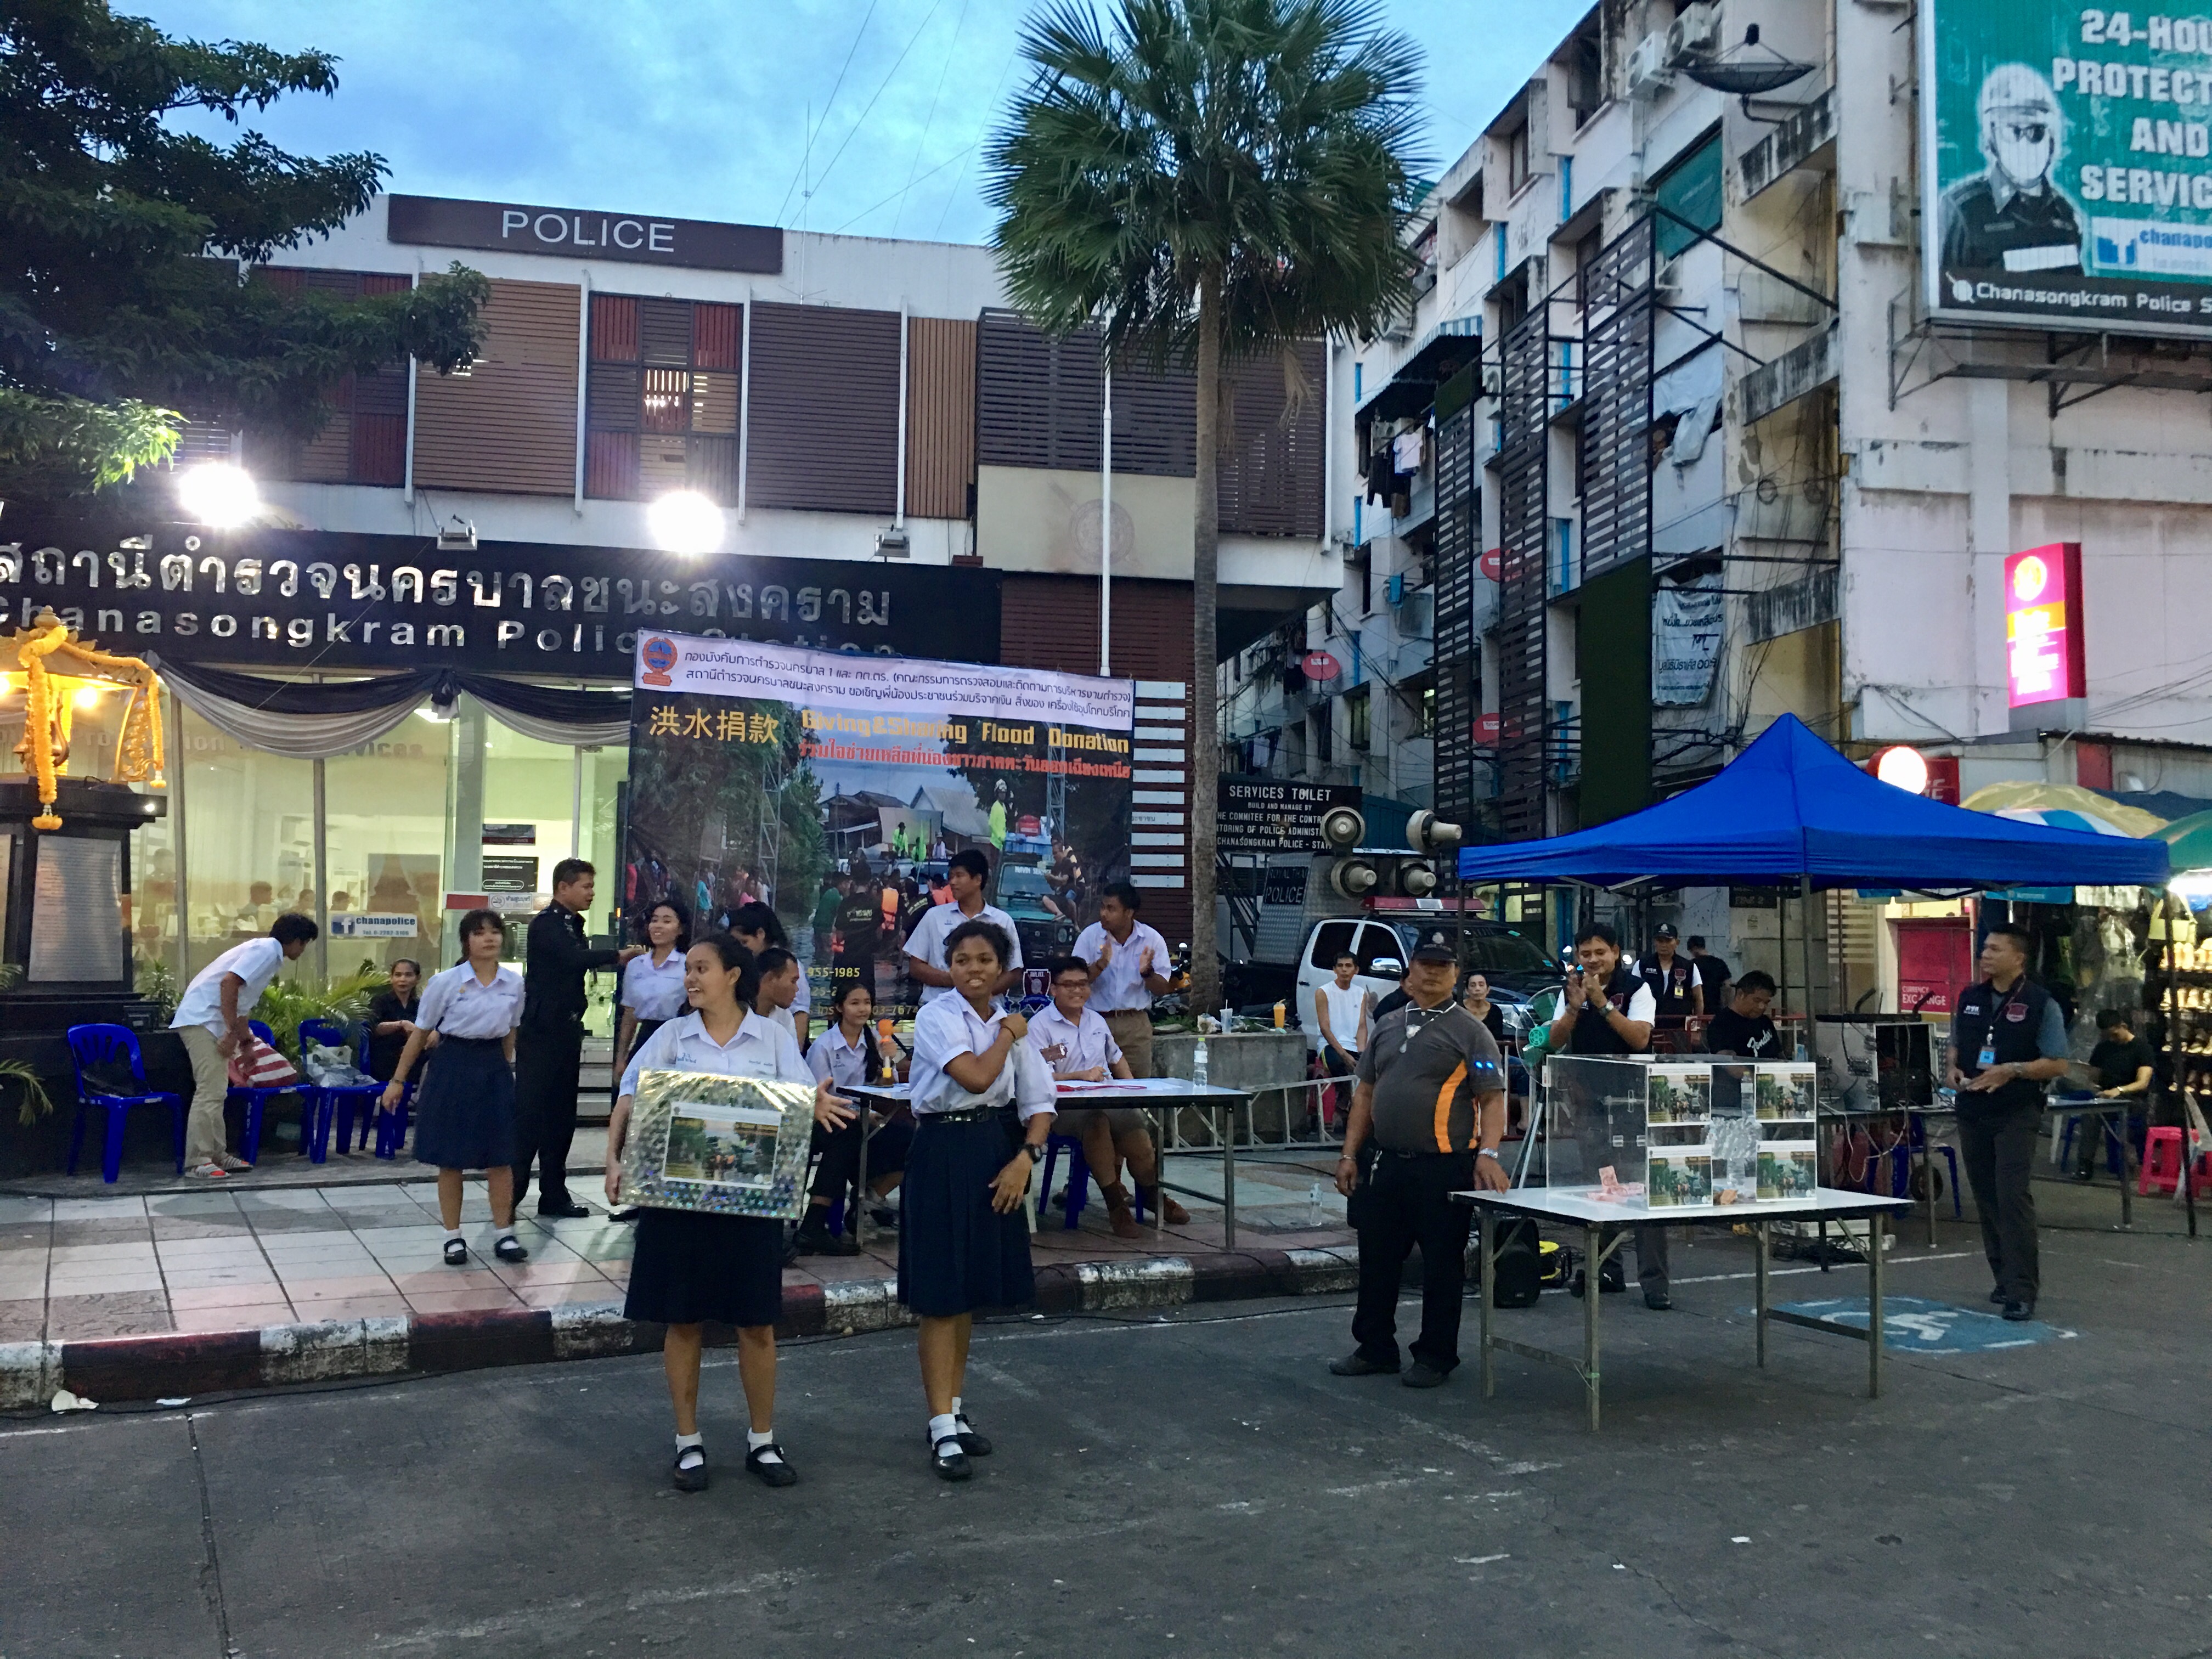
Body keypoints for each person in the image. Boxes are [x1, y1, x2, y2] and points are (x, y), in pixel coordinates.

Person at [604, 933, 855, 1491]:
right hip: (678, 1205)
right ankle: (687, 1442)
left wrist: (814, 1101)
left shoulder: (772, 1039)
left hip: (750, 1207)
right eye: (688, 970)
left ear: (733, 975)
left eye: (702, 968)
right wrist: (613, 1159)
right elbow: (629, 1096)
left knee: (756, 1324)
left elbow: (799, 1101)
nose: (690, 978)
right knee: (683, 1320)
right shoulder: (671, 1036)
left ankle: (762, 1441)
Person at [901, 918, 1054, 1481]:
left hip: (994, 1150)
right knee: (942, 1292)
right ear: (949, 967)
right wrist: (1009, 1034)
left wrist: (1025, 1159)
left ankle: (955, 1408)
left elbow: (1040, 1101)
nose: (973, 970)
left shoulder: (1010, 1021)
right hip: (942, 1148)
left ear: (1002, 968)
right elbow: (973, 1077)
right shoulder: (938, 1016)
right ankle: (940, 1423)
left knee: (968, 1291)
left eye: (984, 960)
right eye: (962, 960)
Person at [1330, 943, 1509, 1387]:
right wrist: (1349, 1154)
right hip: (1385, 1163)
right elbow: (1365, 1094)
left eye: (1442, 967)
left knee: (1442, 1266)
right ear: (1410, 970)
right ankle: (1375, 1348)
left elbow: (1492, 1098)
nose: (1432, 974)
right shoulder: (1389, 1024)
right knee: (1377, 1259)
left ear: (1456, 974)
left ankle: (1435, 1356)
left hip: (1443, 1167)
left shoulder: (1471, 1032)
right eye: (1425, 965)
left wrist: (1488, 1155)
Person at [380, 909, 529, 1267]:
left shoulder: (514, 983)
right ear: (466, 941)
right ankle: (453, 1237)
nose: (489, 938)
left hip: (493, 1068)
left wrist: (503, 1068)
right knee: (451, 1158)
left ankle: (504, 1233)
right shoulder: (445, 982)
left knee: (502, 1157)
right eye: (479, 933)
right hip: (453, 1064)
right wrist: (398, 1081)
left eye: (495, 932)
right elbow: (421, 1032)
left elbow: (511, 1030)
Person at [1549, 922, 1673, 1310]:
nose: (1592, 961)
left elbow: (1639, 1038)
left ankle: (1655, 1282)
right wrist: (1574, 1006)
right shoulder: (1571, 990)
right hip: (1590, 1103)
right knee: (1601, 1186)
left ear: (1616, 953)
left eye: (1600, 953)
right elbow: (1555, 1040)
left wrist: (1602, 1003)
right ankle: (1606, 1269)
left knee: (1643, 1188)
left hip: (1634, 1102)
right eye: (1585, 954)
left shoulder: (1637, 989)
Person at [1949, 924, 2070, 1321]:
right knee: (1986, 1197)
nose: (1985, 955)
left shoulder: (2041, 1004)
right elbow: (1956, 1043)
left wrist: (2013, 1070)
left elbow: (2058, 1063)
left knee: (2012, 1196)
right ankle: (2002, 1278)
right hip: (1972, 1109)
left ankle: (2022, 1290)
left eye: (1995, 949)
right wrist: (1951, 1068)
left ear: (2018, 958)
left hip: (2015, 1112)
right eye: (1984, 948)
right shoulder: (1971, 997)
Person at [516, 859, 641, 1220]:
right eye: (586, 886)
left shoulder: (572, 923)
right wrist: (617, 956)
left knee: (561, 1117)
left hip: (567, 1031)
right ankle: (511, 1193)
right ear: (563, 887)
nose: (591, 893)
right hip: (542, 1033)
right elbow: (570, 960)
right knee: (531, 1116)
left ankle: (553, 1193)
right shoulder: (547, 924)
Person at [1028, 956, 1187, 1238]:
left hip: (1107, 1099)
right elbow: (1038, 1076)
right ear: (1053, 988)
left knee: (1138, 1133)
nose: (1077, 990)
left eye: (1083, 984)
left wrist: (1134, 1092)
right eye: (1069, 985)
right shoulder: (1040, 1026)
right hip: (1063, 1109)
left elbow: (1117, 1058)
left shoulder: (1096, 1021)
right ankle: (1116, 1205)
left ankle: (1152, 1195)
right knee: (1096, 1124)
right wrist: (1080, 1075)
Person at [169, 913, 319, 1177]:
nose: (303, 950)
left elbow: (241, 1004)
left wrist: (246, 1043)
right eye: (305, 943)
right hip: (203, 1020)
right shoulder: (267, 950)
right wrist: (230, 1032)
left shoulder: (266, 952)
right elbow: (229, 983)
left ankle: (217, 1154)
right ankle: (197, 1161)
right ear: (296, 940)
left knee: (218, 1092)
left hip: (209, 1020)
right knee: (209, 1091)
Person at [795, 979, 916, 1256]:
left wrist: (890, 1061)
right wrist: (862, 1114)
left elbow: (884, 1086)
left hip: (862, 1118)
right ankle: (815, 1224)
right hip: (827, 1119)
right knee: (849, 1132)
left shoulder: (872, 1039)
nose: (863, 1009)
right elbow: (818, 1095)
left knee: (912, 1139)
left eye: (867, 1003)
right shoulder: (825, 1046)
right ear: (840, 1008)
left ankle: (868, 1201)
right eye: (855, 1003)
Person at [1939, 64, 2083, 278]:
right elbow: (1944, 288)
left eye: (2036, 132)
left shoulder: (2065, 216)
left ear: (2052, 140)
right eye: (2013, 131)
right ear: (1992, 139)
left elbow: (2078, 291)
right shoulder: (1964, 210)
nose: (2025, 144)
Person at [1073, 881, 1171, 1079]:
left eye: (1111, 909)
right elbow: (1074, 982)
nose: (1103, 914)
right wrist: (1100, 965)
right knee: (1095, 1085)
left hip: (1134, 1025)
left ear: (1129, 913)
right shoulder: (1089, 936)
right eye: (1103, 907)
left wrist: (1147, 973)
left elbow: (1163, 989)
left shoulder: (1151, 939)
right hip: (1095, 1021)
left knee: (1138, 1087)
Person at [904, 847, 1022, 1007]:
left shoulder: (1002, 921)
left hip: (987, 1010)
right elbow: (916, 967)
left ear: (978, 879)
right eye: (951, 876)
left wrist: (981, 994)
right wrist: (957, 980)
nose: (952, 882)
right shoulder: (934, 917)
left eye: (959, 876)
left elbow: (1014, 972)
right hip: (939, 1008)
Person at [615, 900, 690, 1081]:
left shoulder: (688, 965)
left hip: (679, 1040)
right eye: (655, 920)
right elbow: (630, 1015)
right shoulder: (636, 965)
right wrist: (621, 1058)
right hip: (646, 1037)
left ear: (680, 929)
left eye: (667, 921)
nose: (658, 926)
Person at [2078, 1008, 2155, 1182]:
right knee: (2091, 1112)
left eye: (2114, 1035)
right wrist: (2093, 1086)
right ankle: (2085, 1165)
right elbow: (2094, 1077)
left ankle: (2129, 1161)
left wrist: (2118, 1090)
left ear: (2124, 1026)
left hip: (2132, 1099)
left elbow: (2142, 1083)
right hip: (2105, 1097)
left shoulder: (2142, 1048)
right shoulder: (2103, 1048)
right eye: (2108, 1036)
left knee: (2104, 1110)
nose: (2112, 1040)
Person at [729, 901, 809, 1047]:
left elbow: (800, 1013)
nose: (739, 949)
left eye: (744, 942)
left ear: (760, 934)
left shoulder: (789, 966)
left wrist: (796, 1053)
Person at [1313, 951, 1369, 1132]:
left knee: (1370, 1068)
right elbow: (1325, 1028)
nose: (1344, 970)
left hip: (1353, 1045)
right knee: (1338, 1063)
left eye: (1348, 966)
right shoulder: (1323, 992)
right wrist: (1345, 1055)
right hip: (1330, 1045)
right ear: (1334, 970)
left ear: (1356, 970)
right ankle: (1344, 1101)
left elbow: (1362, 1026)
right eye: (1340, 966)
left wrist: (1361, 1053)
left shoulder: (1361, 993)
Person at [365, 958, 424, 1084]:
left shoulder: (420, 1004)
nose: (403, 979)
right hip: (385, 1061)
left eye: (408, 975)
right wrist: (401, 1024)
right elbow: (373, 1028)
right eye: (398, 975)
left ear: (417, 978)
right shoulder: (380, 1002)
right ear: (391, 978)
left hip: (413, 1061)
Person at [1637, 923, 1702, 1033]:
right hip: (1647, 1026)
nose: (1664, 945)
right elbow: (1631, 994)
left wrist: (1695, 1028)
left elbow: (1698, 999)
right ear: (1654, 942)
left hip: (1680, 1028)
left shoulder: (1689, 967)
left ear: (1677, 943)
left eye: (1668, 941)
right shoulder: (1642, 965)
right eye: (1660, 941)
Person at [1703, 970, 1781, 1059]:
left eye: (1766, 1002)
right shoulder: (1721, 1024)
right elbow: (1728, 1062)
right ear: (1740, 994)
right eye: (1757, 1000)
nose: (1761, 1007)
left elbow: (1780, 1054)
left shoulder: (1765, 1022)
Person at [753, 947, 804, 1042]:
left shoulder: (785, 1017)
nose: (796, 989)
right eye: (793, 981)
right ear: (770, 978)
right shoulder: (737, 1014)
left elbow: (792, 1051)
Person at [1460, 971, 1508, 1046]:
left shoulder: (1495, 1011)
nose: (1477, 989)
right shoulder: (1458, 1008)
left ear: (1488, 989)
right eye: (1473, 985)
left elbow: (1497, 1040)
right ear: (1467, 991)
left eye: (1481, 985)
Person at [1687, 935, 1731, 1009]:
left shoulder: (1690, 965)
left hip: (1696, 1007)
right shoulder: (1719, 963)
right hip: (1716, 1006)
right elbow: (1728, 986)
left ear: (1694, 949)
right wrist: (1727, 1006)